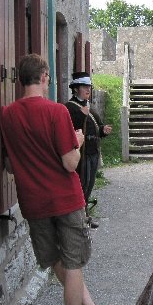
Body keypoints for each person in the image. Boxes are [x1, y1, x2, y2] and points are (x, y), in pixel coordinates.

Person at [1, 54, 114, 305]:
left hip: (33, 203)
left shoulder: (7, 115)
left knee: (57, 262)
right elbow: (69, 163)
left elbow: (10, 166)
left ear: (19, 79)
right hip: (65, 199)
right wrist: (76, 141)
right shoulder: (56, 112)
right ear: (44, 77)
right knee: (73, 263)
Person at [65, 72, 112, 229]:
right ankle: (79, 218)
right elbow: (70, 129)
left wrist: (102, 130)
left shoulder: (87, 106)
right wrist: (80, 115)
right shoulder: (70, 107)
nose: (88, 90)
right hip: (81, 155)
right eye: (85, 87)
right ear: (76, 89)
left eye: (89, 87)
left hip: (92, 153)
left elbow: (94, 127)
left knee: (89, 185)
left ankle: (84, 215)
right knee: (81, 186)